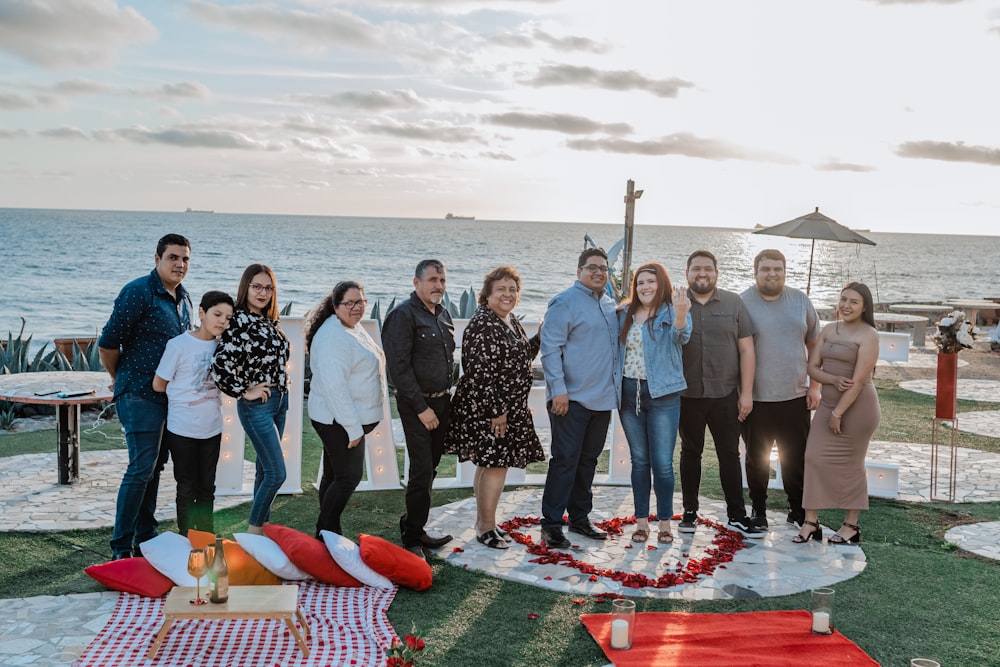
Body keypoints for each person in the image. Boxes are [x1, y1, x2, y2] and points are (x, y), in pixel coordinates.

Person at [99, 233, 193, 560]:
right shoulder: (138, 292)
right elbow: (108, 344)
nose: (179, 264)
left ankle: (145, 540)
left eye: (185, 259)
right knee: (141, 467)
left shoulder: (185, 298)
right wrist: (119, 380)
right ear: (157, 258)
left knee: (154, 468)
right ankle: (120, 549)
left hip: (169, 398)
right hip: (137, 394)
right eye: (173, 257)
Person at [445, 266, 545, 549]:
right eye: (501, 289)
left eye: (513, 289)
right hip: (488, 408)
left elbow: (520, 357)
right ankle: (486, 527)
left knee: (489, 464)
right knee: (496, 465)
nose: (508, 294)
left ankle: (484, 521)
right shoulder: (483, 324)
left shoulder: (509, 319)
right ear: (487, 294)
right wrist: (497, 411)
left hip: (505, 406)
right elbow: (479, 372)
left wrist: (538, 337)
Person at [539, 248, 621, 549]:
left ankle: (579, 518)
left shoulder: (611, 306)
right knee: (565, 461)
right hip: (570, 399)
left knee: (588, 461)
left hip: (602, 400)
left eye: (604, 268)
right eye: (592, 268)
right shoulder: (564, 302)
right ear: (579, 271)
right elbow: (550, 348)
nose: (599, 273)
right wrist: (558, 389)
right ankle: (550, 523)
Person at [677, 250, 763, 538]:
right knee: (691, 453)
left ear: (716, 272)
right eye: (696, 269)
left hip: (725, 393)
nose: (702, 274)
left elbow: (746, 349)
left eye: (708, 269)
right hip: (687, 394)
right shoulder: (676, 302)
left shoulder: (733, 302)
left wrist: (746, 393)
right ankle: (689, 511)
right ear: (687, 273)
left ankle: (737, 515)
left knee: (729, 454)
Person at [795, 282, 881, 545]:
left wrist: (839, 412)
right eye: (843, 299)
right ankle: (811, 521)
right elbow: (811, 367)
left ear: (865, 307)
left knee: (852, 465)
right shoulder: (829, 329)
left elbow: (857, 381)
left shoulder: (869, 335)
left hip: (858, 410)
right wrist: (831, 380)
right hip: (828, 407)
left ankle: (851, 526)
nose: (846, 305)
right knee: (812, 457)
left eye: (854, 301)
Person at [740, 249, 821, 529]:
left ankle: (796, 509)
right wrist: (743, 394)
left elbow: (815, 345)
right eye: (766, 269)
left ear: (785, 271)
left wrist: (815, 387)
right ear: (756, 272)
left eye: (778, 268)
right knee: (756, 459)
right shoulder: (743, 303)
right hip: (756, 398)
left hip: (795, 396)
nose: (772, 273)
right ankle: (758, 510)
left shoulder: (800, 301)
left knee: (795, 459)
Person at [382, 259, 456, 559]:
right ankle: (411, 536)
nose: (438, 285)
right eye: (432, 280)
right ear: (416, 283)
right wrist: (422, 408)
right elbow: (398, 369)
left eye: (442, 280)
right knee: (421, 469)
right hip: (416, 404)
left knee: (431, 468)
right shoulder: (402, 315)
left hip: (442, 401)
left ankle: (418, 527)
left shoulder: (443, 313)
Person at [211, 264, 289, 536]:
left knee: (264, 472)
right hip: (258, 406)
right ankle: (254, 532)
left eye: (268, 287)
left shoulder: (269, 320)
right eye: (257, 286)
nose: (263, 292)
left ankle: (264, 530)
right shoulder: (238, 320)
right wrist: (245, 390)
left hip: (280, 401)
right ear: (246, 287)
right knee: (278, 474)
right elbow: (220, 365)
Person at [618, 263, 691, 544]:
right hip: (628, 393)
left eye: (651, 282)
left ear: (662, 284)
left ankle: (664, 524)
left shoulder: (674, 310)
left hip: (663, 395)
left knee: (661, 463)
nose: (645, 287)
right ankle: (640, 523)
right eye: (640, 283)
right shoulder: (624, 313)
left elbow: (681, 338)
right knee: (639, 461)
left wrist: (682, 316)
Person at [307, 281, 386, 538]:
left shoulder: (350, 327)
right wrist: (353, 429)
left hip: (341, 419)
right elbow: (335, 388)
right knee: (348, 477)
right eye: (349, 303)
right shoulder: (333, 336)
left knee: (333, 475)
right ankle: (323, 531)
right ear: (335, 306)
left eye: (360, 302)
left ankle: (330, 530)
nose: (356, 308)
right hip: (338, 421)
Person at [152, 291, 234, 536]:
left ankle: (207, 536)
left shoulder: (225, 347)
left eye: (228, 318)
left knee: (207, 487)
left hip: (213, 429)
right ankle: (187, 538)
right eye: (217, 314)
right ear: (201, 313)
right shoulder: (179, 345)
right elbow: (159, 384)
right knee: (186, 487)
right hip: (182, 429)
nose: (222, 321)